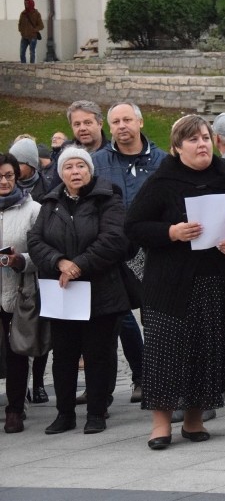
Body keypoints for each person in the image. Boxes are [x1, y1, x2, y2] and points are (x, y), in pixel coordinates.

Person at [125, 115, 225, 450]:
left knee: (205, 349)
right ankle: (160, 425)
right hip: (170, 285)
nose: (201, 145)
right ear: (177, 147)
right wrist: (171, 232)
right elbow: (134, 226)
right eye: (193, 140)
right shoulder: (162, 180)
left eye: (204, 138)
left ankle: (195, 419)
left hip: (215, 279)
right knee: (165, 352)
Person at [28, 148, 133, 435]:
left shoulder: (108, 197)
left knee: (99, 353)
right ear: (61, 173)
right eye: (69, 167)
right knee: (63, 355)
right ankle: (65, 413)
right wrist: (58, 262)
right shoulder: (50, 202)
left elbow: (113, 239)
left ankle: (97, 412)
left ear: (90, 170)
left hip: (101, 290)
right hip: (62, 293)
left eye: (80, 166)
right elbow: (35, 241)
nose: (75, 172)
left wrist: (78, 265)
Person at [92, 101, 168, 406]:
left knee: (155, 317)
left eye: (127, 119)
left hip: (154, 250)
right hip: (114, 252)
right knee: (119, 317)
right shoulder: (97, 162)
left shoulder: (162, 160)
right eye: (116, 121)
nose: (122, 126)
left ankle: (158, 379)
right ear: (110, 127)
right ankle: (135, 376)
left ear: (140, 122)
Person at [0, 153, 42, 433]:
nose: (3, 181)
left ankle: (15, 407)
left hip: (19, 291)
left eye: (9, 176)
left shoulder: (33, 210)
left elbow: (45, 252)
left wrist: (21, 260)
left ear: (17, 177)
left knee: (18, 351)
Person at [18, 0, 44, 64]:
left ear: (31, 4)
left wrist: (34, 30)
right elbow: (20, 23)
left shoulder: (36, 14)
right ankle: (23, 66)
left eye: (27, 3)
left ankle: (32, 66)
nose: (26, 4)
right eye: (25, 3)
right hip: (24, 37)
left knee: (32, 52)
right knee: (22, 53)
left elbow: (41, 26)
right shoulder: (23, 13)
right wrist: (21, 31)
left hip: (32, 37)